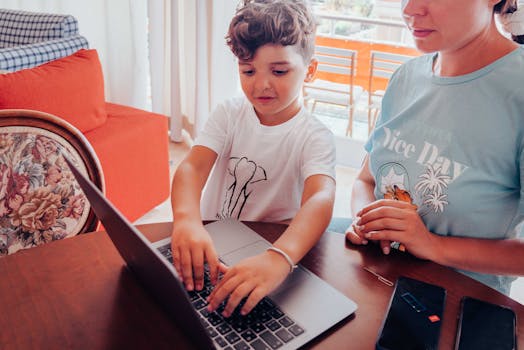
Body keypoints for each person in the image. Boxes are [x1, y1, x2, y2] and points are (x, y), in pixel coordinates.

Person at [345, 0, 524, 295]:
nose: (410, 9)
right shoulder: (405, 77)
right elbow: (366, 180)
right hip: (378, 278)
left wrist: (435, 246)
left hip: (462, 302)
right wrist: (366, 220)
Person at [170, 0, 336, 317]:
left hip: (269, 255)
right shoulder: (229, 113)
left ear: (310, 70)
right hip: (212, 244)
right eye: (248, 71)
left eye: (279, 71)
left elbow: (321, 198)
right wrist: (187, 220)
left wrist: (280, 257)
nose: (261, 84)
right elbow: (192, 167)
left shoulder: (314, 136)